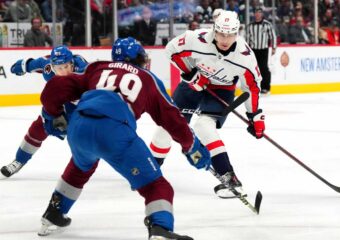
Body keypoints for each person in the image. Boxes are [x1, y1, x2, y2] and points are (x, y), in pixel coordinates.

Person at [38, 37, 211, 239]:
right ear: (137, 59)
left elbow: (55, 87)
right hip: (114, 130)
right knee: (156, 186)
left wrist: (53, 115)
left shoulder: (97, 68)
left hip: (79, 126)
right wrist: (191, 146)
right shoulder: (148, 78)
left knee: (80, 166)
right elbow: (172, 117)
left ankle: (53, 214)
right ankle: (160, 229)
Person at [149, 10, 265, 198]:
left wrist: (256, 115)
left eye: (230, 35)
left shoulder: (245, 55)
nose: (225, 39)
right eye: (221, 34)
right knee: (167, 127)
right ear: (214, 30)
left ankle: (229, 178)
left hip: (222, 90)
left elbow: (251, 87)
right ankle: (150, 171)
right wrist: (190, 73)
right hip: (192, 86)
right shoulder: (196, 38)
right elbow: (171, 50)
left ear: (237, 33)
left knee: (204, 126)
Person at [0, 46, 88, 179]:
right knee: (38, 127)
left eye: (66, 66)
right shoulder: (46, 67)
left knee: (94, 139)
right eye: (59, 68)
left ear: (72, 63)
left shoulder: (83, 69)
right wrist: (23, 66)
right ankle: (18, 161)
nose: (64, 72)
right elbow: (30, 64)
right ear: (52, 67)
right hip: (59, 106)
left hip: (80, 110)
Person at [246, 7, 277, 94]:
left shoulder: (267, 25)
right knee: (253, 69)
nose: (257, 14)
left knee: (263, 68)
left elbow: (273, 36)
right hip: (253, 50)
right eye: (256, 12)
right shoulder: (250, 26)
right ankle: (254, 87)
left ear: (262, 14)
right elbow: (247, 38)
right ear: (254, 14)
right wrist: (247, 50)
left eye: (259, 12)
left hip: (263, 49)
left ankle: (266, 87)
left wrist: (274, 47)